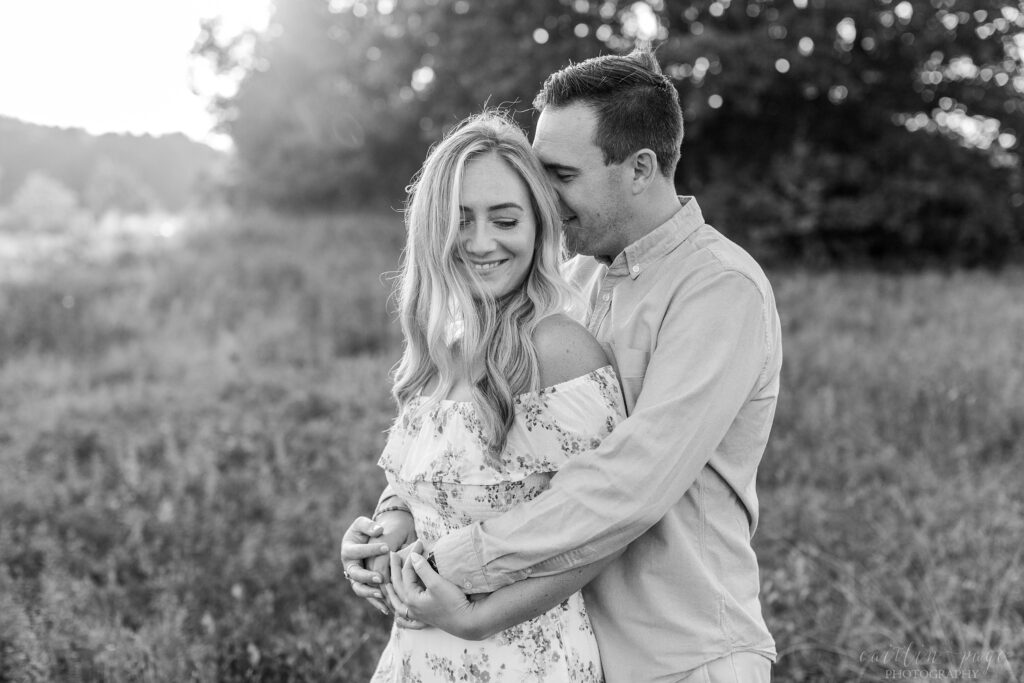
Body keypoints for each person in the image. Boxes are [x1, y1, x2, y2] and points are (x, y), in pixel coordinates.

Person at [344, 49, 782, 682]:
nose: (542, 195)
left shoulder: (718, 289)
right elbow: (465, 454)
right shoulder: (566, 284)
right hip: (565, 637)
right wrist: (393, 526)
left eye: (561, 174)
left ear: (640, 168)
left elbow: (633, 480)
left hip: (680, 651)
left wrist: (456, 565)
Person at [355, 110, 629, 681]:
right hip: (419, 656)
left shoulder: (559, 349)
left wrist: (478, 620)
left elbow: (599, 530)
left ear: (537, 227)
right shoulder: (439, 351)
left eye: (505, 219)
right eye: (462, 221)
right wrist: (380, 536)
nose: (482, 243)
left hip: (522, 659)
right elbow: (418, 491)